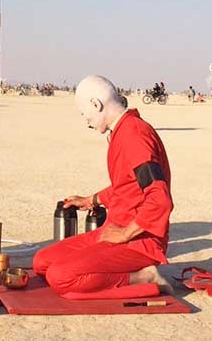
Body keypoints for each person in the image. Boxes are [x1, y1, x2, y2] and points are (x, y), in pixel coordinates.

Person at [33, 75, 173, 296]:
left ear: (96, 104)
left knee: (60, 276)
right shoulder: (121, 132)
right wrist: (91, 200)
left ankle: (142, 277)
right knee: (42, 262)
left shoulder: (134, 135)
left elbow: (159, 199)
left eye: (83, 113)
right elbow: (126, 185)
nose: (85, 120)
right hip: (114, 229)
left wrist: (125, 234)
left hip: (138, 240)